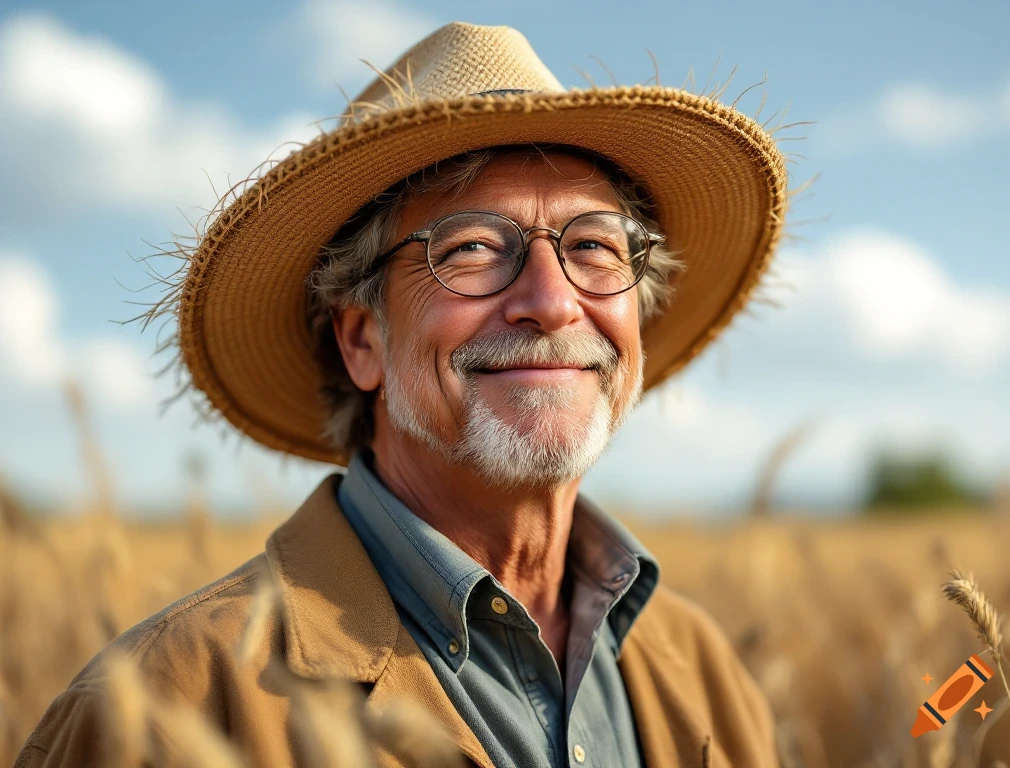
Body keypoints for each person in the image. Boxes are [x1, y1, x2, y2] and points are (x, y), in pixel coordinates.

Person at [17, 21, 788, 768]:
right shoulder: (170, 706)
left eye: (592, 245)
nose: (553, 302)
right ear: (362, 340)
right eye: (474, 248)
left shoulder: (702, 668)